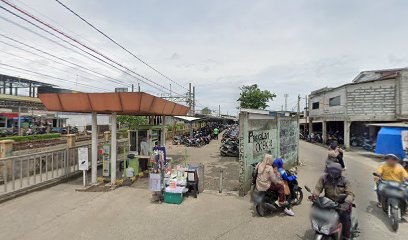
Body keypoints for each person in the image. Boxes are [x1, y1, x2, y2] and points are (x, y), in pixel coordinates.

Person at [313, 163, 354, 239]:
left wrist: (346, 203)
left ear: (339, 172)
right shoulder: (324, 178)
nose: (333, 174)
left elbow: (350, 194)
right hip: (327, 202)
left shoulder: (345, 181)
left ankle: (346, 237)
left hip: (341, 205)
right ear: (328, 171)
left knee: (345, 220)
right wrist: (315, 196)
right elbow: (318, 188)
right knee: (318, 215)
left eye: (336, 172)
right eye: (331, 172)